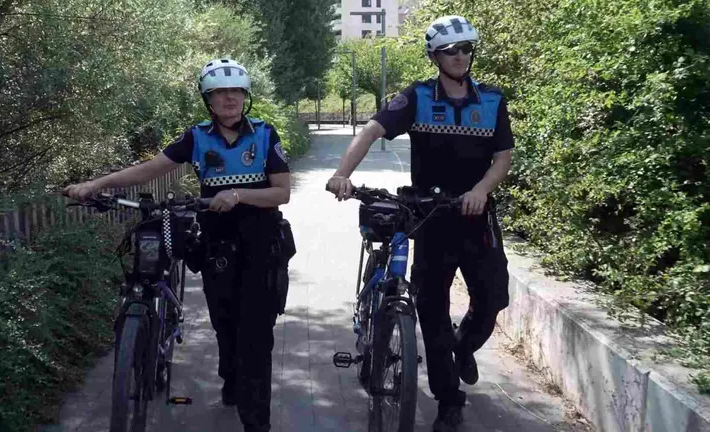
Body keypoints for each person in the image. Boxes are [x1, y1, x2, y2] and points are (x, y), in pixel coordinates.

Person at [64, 58, 294, 432]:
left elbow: (281, 193)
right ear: (209, 99)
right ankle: (232, 381)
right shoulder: (196, 137)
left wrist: (238, 195)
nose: (229, 99)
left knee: (255, 335)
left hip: (260, 245)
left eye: (235, 91)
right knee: (224, 324)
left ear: (246, 96)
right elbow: (150, 168)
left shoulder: (266, 135)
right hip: (217, 245)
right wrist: (98, 184)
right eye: (220, 93)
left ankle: (256, 422)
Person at [326, 15, 514, 432]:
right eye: (451, 51)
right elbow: (371, 132)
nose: (460, 56)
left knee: (493, 299)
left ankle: (463, 346)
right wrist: (343, 174)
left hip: (476, 216)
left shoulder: (493, 101)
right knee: (430, 309)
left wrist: (481, 189)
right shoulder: (416, 97)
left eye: (466, 49)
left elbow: (503, 157)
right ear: (435, 56)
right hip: (430, 217)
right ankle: (449, 401)